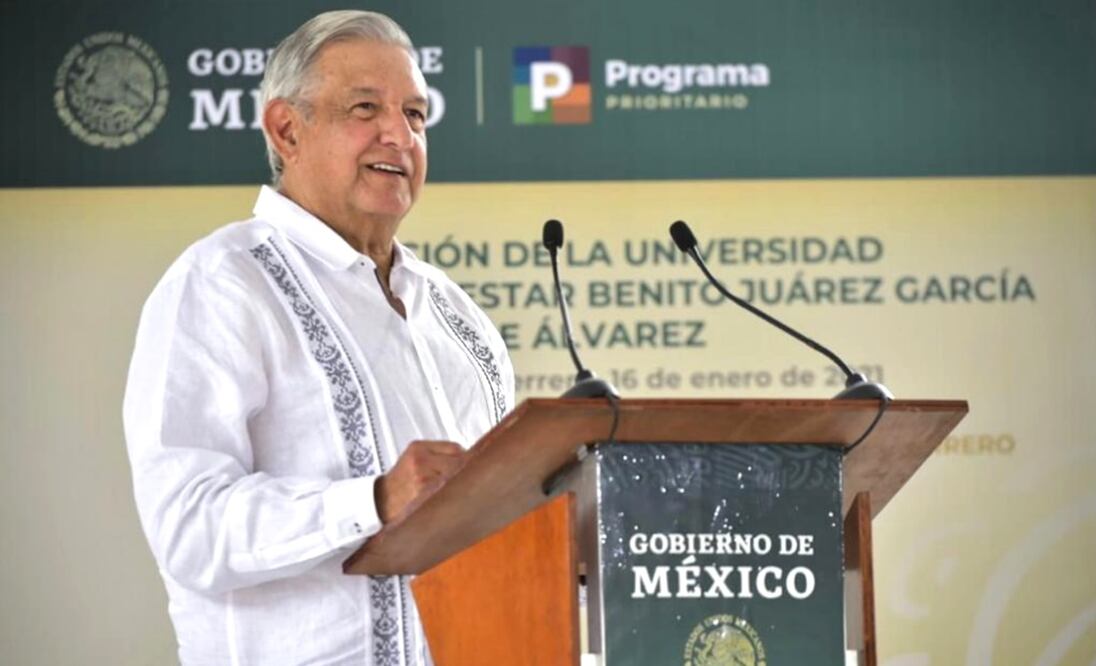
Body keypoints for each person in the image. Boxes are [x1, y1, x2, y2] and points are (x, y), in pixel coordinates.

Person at [123, 10, 514, 665]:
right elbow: (189, 528)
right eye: (366, 108)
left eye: (416, 115)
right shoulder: (222, 282)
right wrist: (374, 501)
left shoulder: (454, 313)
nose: (401, 134)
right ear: (286, 128)